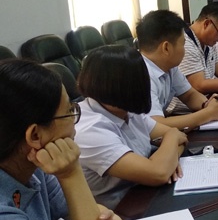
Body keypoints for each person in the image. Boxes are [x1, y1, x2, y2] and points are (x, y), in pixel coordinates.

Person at [0, 59, 127, 220]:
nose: (74, 122)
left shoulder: (31, 169)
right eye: (69, 111)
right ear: (35, 136)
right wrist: (71, 173)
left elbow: (86, 214)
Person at [75, 45, 188, 209]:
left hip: (144, 195)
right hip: (118, 212)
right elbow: (159, 172)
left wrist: (169, 160)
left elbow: (181, 139)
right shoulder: (89, 129)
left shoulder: (125, 109)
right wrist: (170, 140)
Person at [136, 9, 218, 130]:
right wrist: (209, 114)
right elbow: (156, 125)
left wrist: (207, 105)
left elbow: (189, 95)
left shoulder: (169, 67)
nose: (184, 49)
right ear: (166, 48)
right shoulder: (141, 75)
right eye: (183, 44)